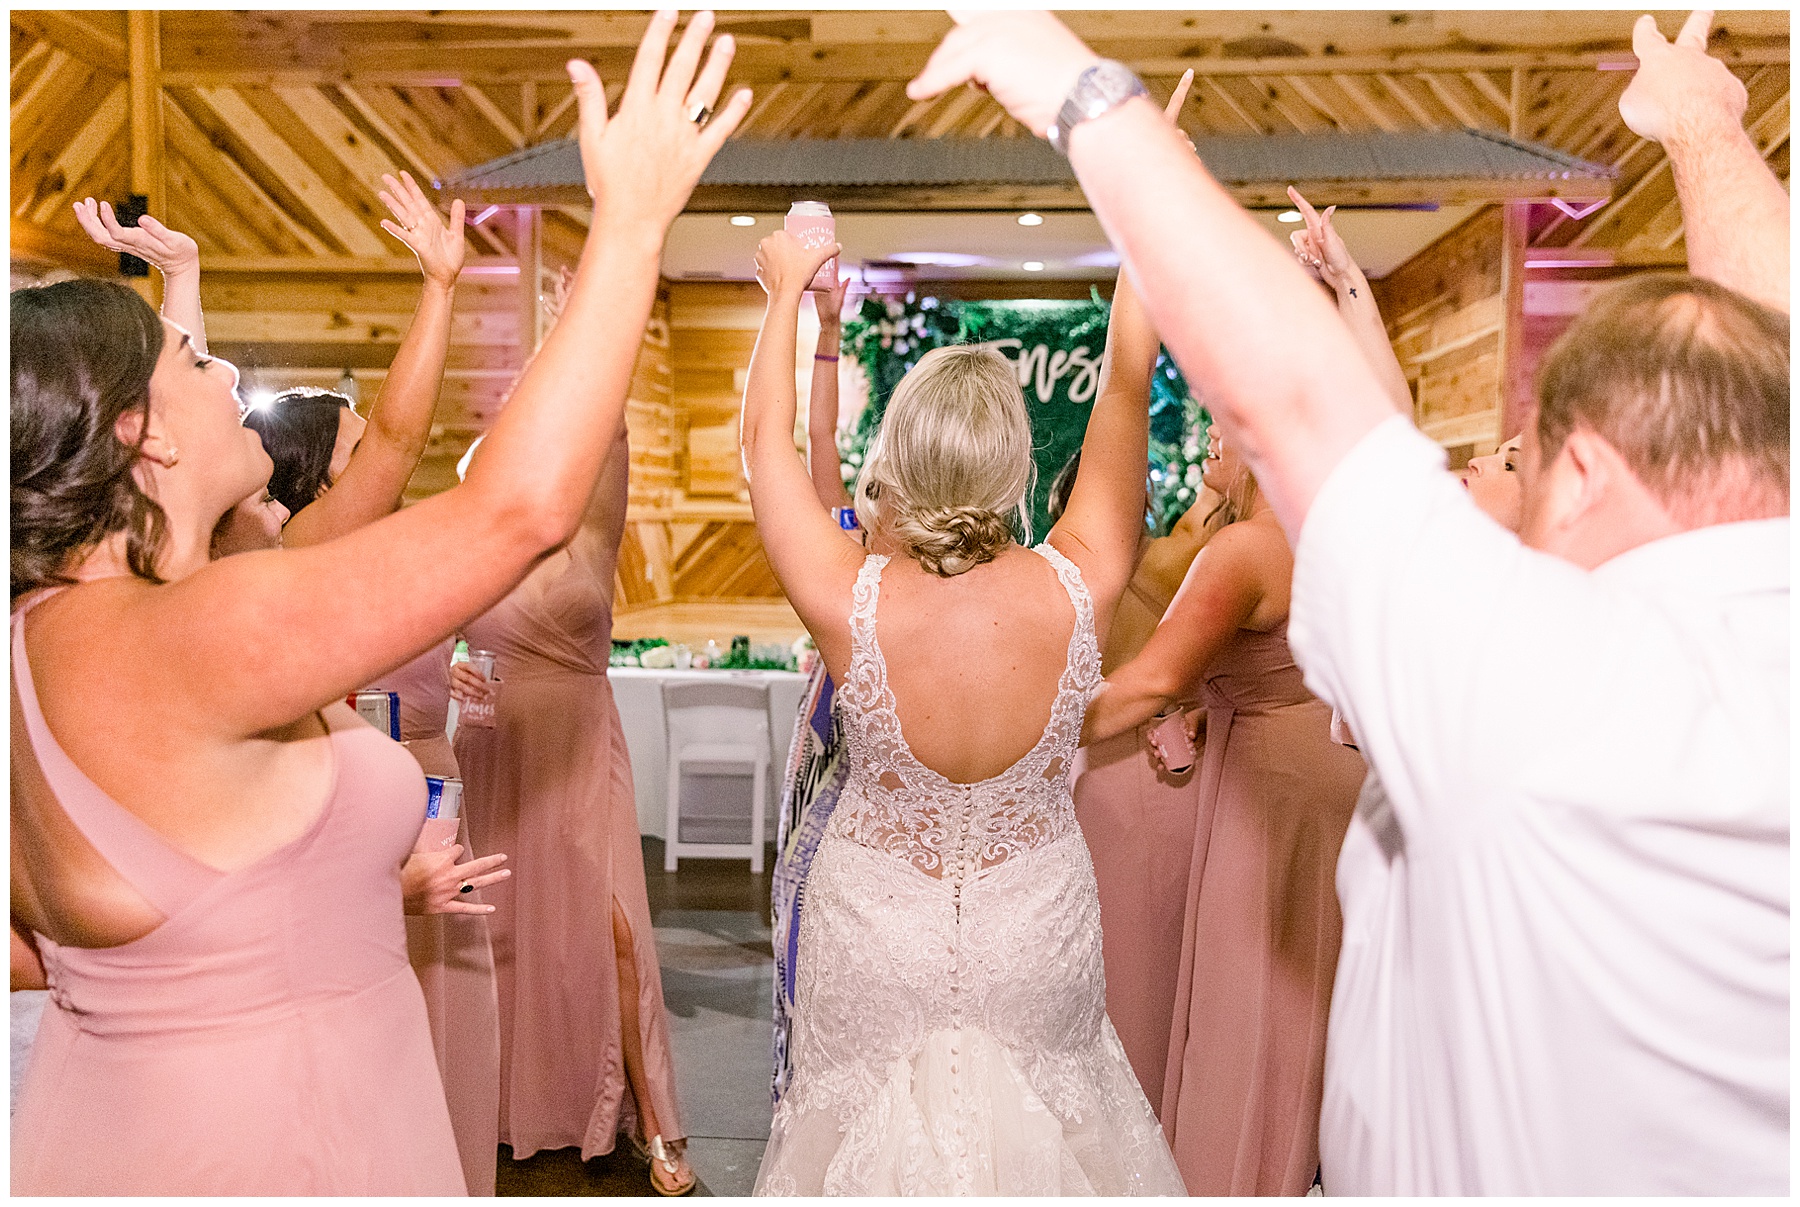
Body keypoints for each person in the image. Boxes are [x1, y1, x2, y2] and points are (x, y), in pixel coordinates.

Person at [907, 8, 1787, 1194]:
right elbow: (1767, 359)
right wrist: (1704, 131)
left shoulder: (1521, 678)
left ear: (1581, 473)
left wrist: (1080, 96)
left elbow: (1297, 402)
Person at [9, 13, 751, 1194]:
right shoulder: (200, 634)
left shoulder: (46, 634)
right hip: (270, 1147)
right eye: (203, 368)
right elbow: (516, 512)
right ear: (143, 441)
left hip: (129, 1131)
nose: (234, 387)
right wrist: (633, 227)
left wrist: (289, 915)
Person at [741, 202, 1185, 1192]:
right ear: (1014, 465)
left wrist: (783, 297)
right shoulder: (1082, 579)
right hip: (1037, 939)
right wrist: (1147, 219)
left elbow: (765, 444)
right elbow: (1122, 380)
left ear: (900, 460)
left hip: (874, 946)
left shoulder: (846, 596)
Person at [1082, 416, 1364, 1195]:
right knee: (1301, 1014)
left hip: (1271, 798)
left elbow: (1148, 681)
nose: (1209, 436)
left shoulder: (1240, 551)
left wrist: (1017, 726)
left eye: (1228, 421)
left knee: (1248, 1024)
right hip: (1324, 782)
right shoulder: (1330, 540)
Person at [450, 362, 693, 1193]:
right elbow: (417, 633)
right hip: (494, 746)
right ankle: (500, 1099)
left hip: (582, 743)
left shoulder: (589, 525)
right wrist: (449, 668)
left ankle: (652, 1117)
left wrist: (597, 347)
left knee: (614, 925)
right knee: (501, 926)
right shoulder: (473, 542)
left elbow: (611, 435)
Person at [770, 268, 859, 1108]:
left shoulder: (878, 579)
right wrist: (825, 331)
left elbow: (809, 449)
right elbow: (817, 443)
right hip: (813, 770)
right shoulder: (850, 556)